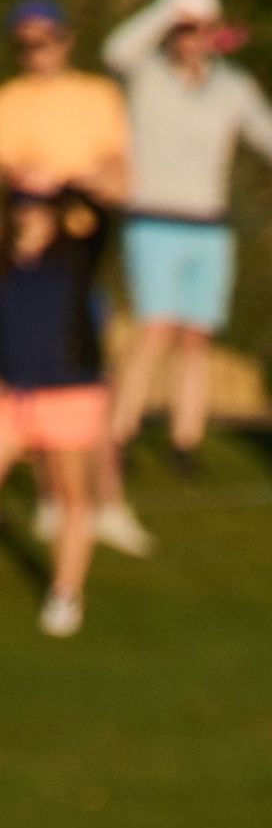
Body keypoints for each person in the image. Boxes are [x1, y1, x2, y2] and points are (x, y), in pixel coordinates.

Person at [103, 0, 272, 473]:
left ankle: (185, 439)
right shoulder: (147, 75)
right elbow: (115, 50)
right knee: (155, 330)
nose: (190, 39)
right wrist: (167, 9)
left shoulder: (232, 87)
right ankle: (122, 431)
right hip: (154, 221)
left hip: (209, 227)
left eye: (199, 29)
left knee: (198, 336)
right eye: (183, 29)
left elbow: (271, 132)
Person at [0, 0, 152, 559]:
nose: (36, 52)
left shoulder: (97, 96)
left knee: (89, 379)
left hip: (82, 251)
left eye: (45, 40)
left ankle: (104, 503)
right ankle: (53, 499)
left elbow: (120, 176)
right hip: (26, 256)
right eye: (25, 43)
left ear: (64, 40)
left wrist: (77, 182)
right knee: (27, 373)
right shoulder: (9, 101)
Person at [0, 178, 113, 634]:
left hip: (70, 394)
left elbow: (101, 217)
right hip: (11, 395)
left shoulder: (75, 260)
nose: (31, 218)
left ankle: (66, 593)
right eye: (24, 209)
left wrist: (65, 179)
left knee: (71, 494)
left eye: (40, 209)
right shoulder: (6, 262)